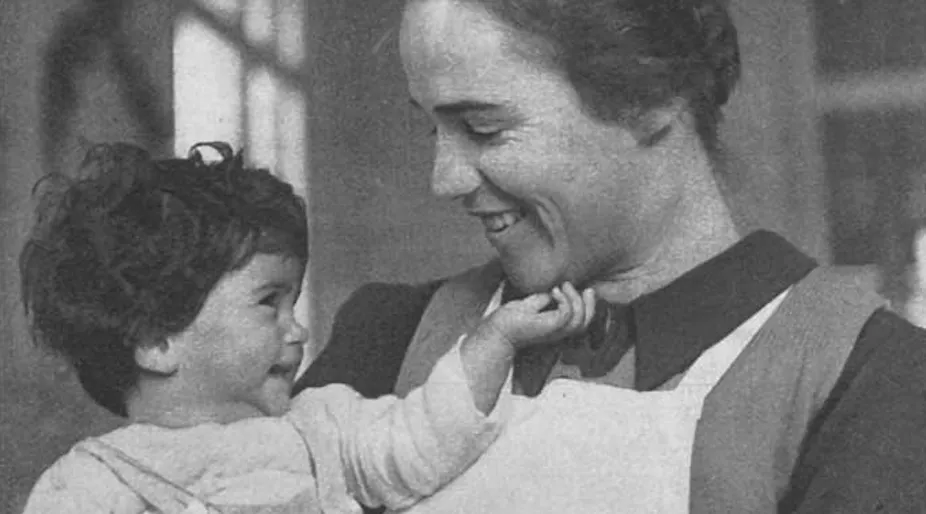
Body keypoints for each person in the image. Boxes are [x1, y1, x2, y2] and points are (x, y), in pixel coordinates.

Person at [295, 0, 926, 512]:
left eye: (484, 128)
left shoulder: (868, 379)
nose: (445, 179)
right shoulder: (389, 336)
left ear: (651, 101)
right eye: (433, 129)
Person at [17, 141, 596, 514]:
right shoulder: (89, 486)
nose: (296, 332)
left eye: (292, 303)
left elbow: (425, 438)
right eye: (268, 303)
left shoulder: (324, 425)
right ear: (156, 340)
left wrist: (495, 339)